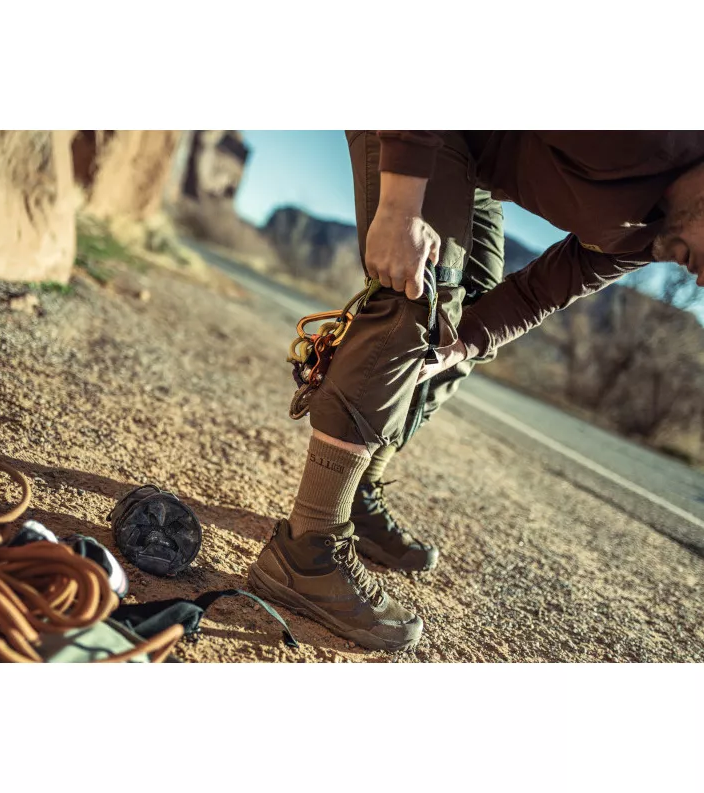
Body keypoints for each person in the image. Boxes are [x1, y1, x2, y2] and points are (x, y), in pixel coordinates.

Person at [248, 131, 704, 652]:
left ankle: (358, 492)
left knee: (462, 327)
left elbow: (543, 290)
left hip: (475, 161)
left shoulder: (653, 234)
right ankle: (309, 545)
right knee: (416, 293)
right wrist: (400, 209)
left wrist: (462, 343)